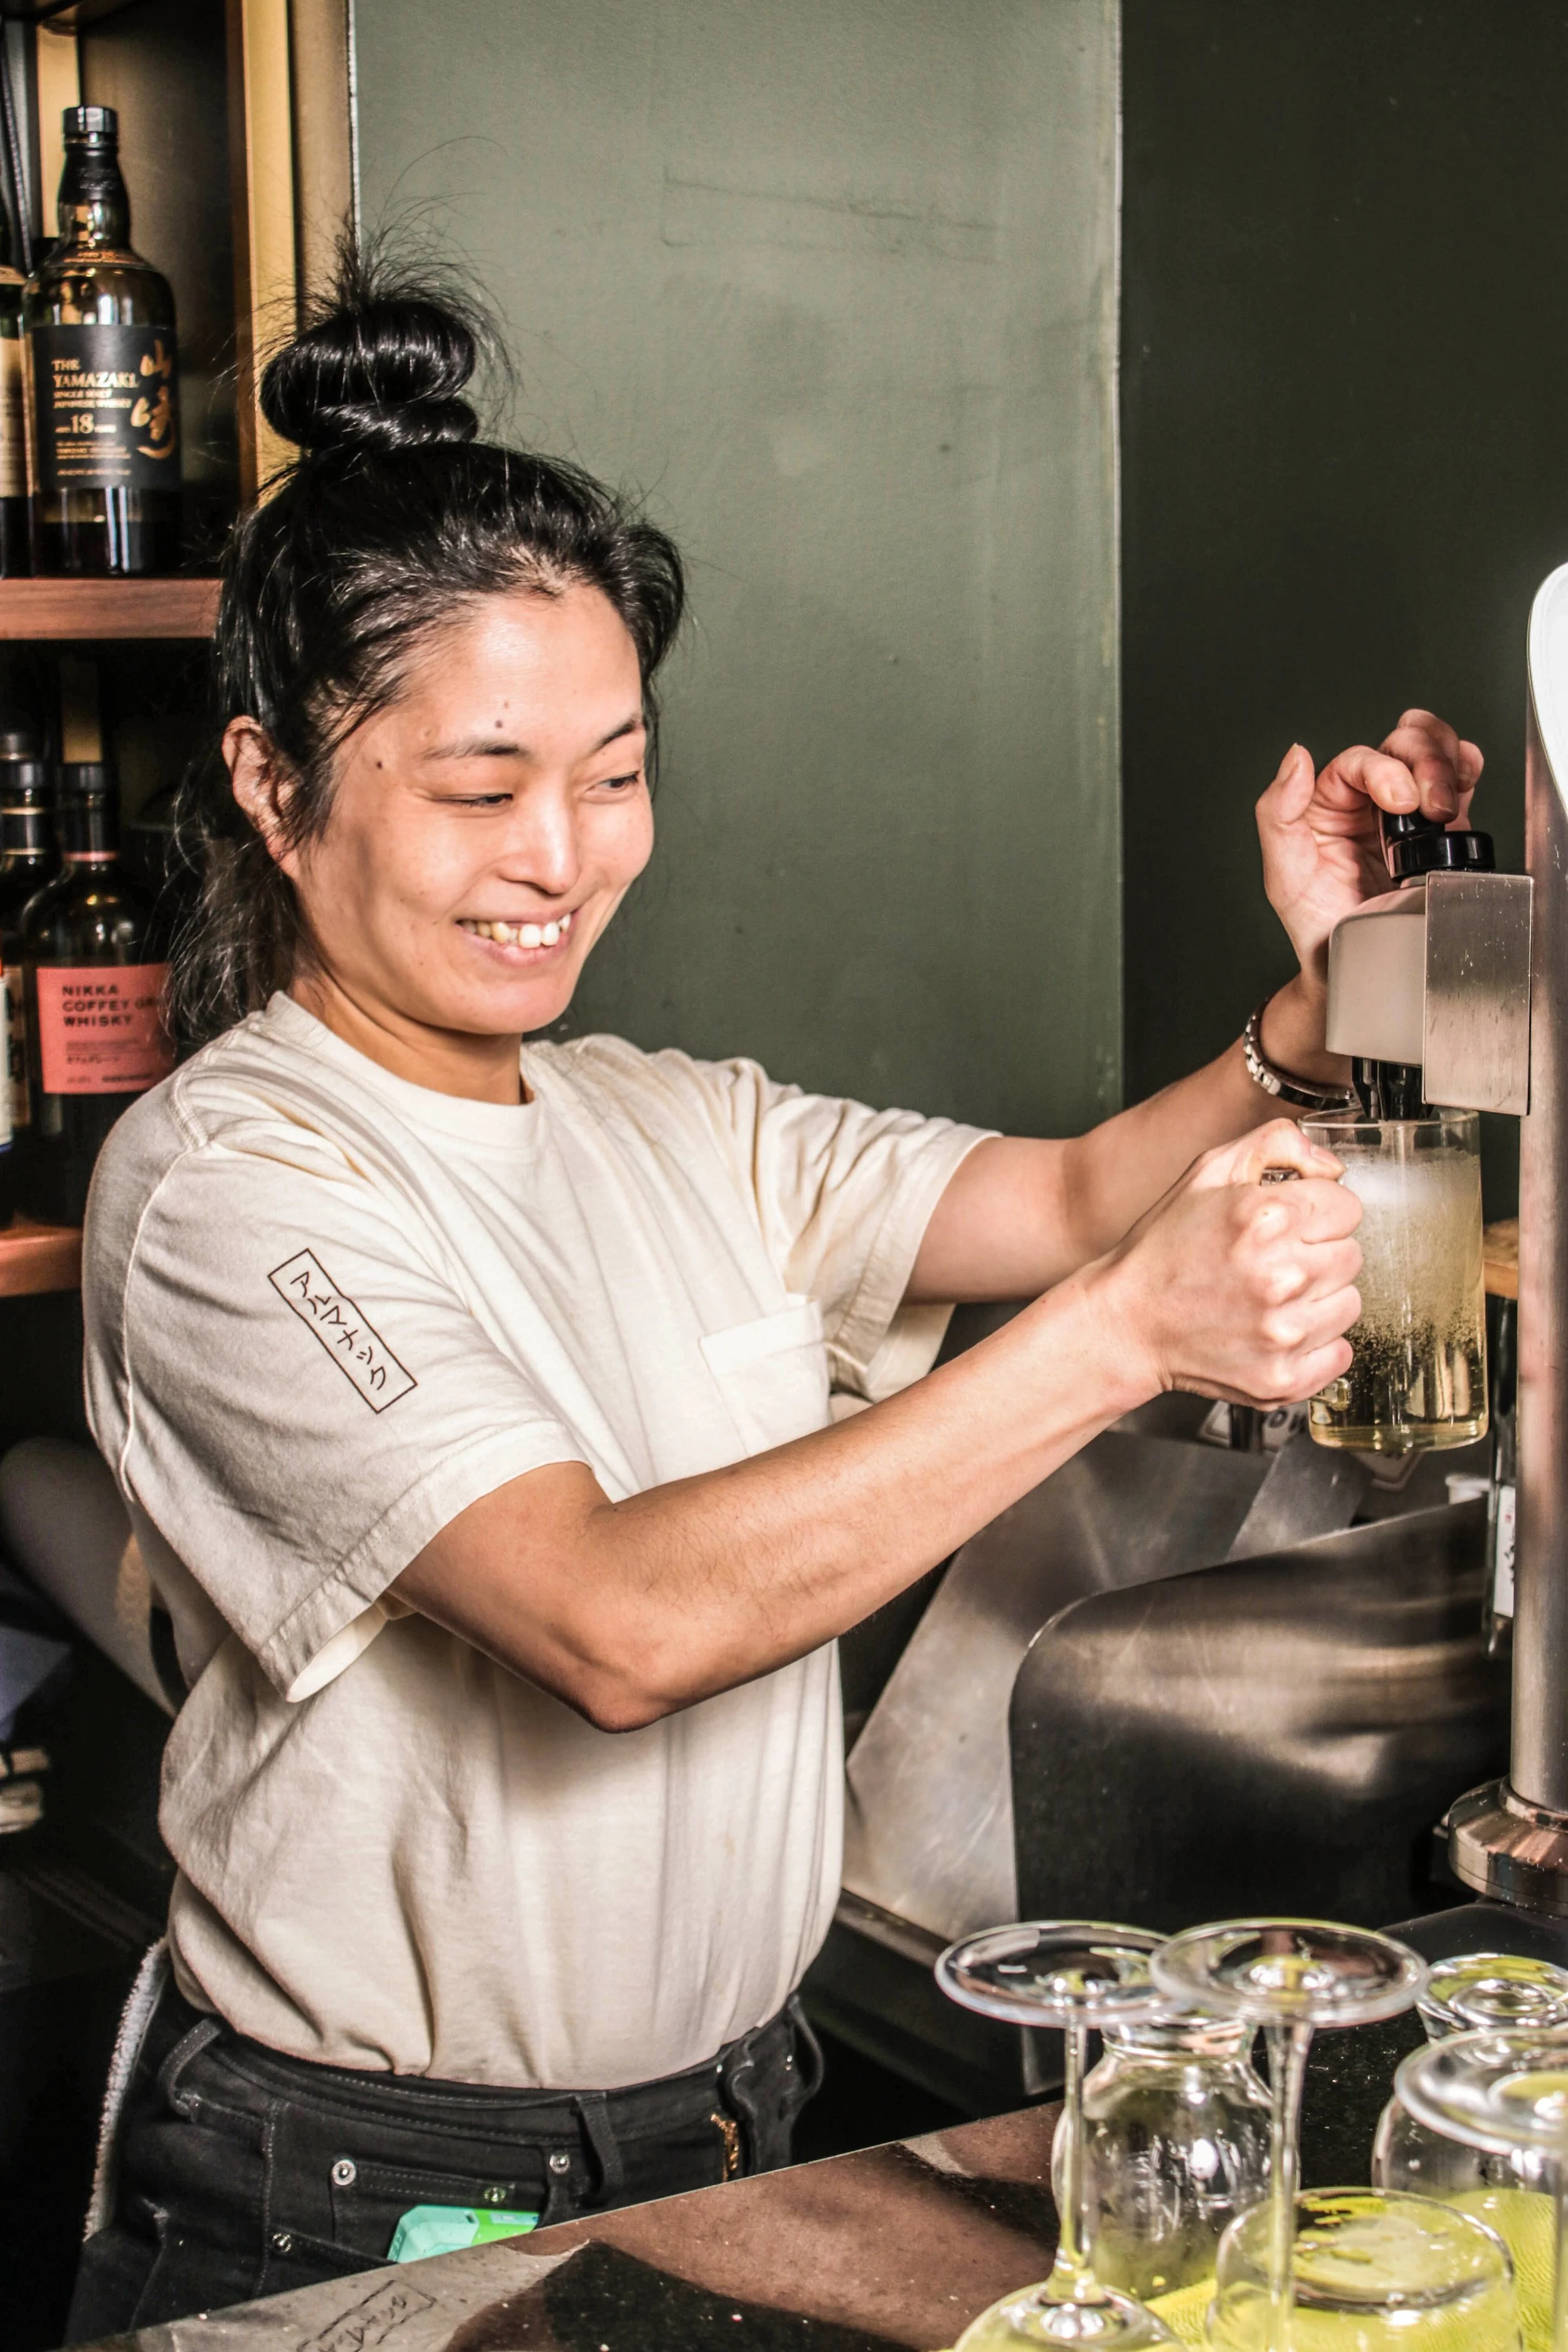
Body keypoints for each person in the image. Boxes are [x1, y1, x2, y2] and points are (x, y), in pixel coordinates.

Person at [68, 259, 1481, 2335]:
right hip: (373, 2190)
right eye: (479, 790)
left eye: (615, 770)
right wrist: (1115, 1336)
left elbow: (1082, 1187)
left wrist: (1340, 978)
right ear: (278, 789)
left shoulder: (666, 1116)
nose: (563, 852)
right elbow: (612, 1620)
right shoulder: (223, 1182)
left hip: (740, 2121)